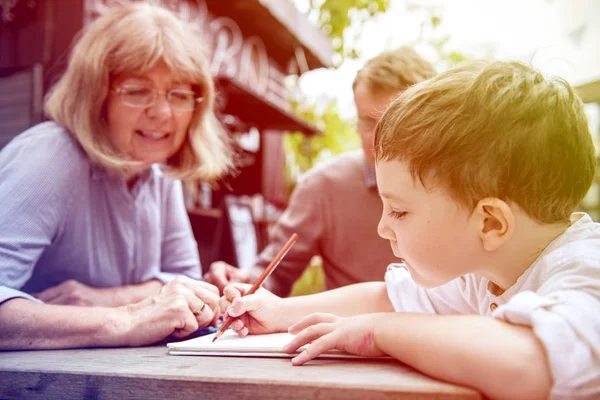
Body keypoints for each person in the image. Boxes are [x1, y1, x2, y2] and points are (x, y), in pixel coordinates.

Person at [220, 60, 600, 400]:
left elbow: (533, 366)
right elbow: (387, 298)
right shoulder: (488, 273)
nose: (383, 227)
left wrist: (379, 333)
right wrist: (280, 311)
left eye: (399, 211)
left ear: (490, 224)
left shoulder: (586, 271)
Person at [0, 3, 232, 350]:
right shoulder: (50, 156)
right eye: (138, 90)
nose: (162, 112)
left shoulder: (158, 172)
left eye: (179, 94)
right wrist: (128, 318)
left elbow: (186, 284)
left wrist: (113, 299)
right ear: (96, 95)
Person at [204, 47, 436, 296]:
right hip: (350, 330)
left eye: (394, 121)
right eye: (368, 123)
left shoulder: (461, 183)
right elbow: (272, 276)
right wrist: (240, 285)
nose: (379, 138)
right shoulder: (323, 186)